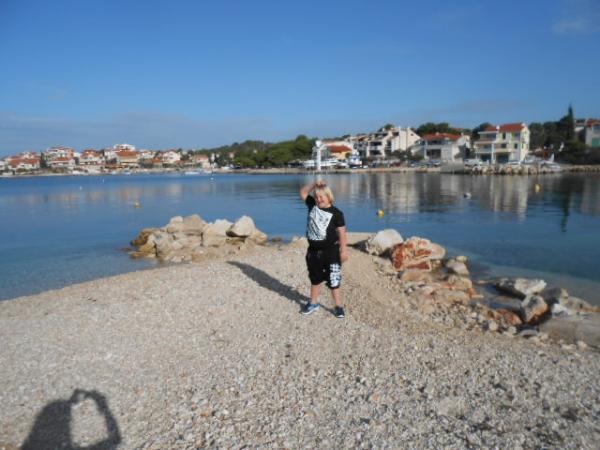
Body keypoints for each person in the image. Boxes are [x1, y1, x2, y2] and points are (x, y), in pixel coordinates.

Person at [300, 180, 348, 318]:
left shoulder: (337, 213)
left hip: (331, 252)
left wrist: (344, 250)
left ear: (329, 196)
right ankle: (313, 303)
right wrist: (314, 184)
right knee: (315, 279)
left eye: (321, 196)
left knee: (334, 280)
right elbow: (303, 192)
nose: (318, 199)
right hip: (313, 252)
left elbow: (342, 233)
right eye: (316, 197)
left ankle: (338, 306)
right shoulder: (312, 205)